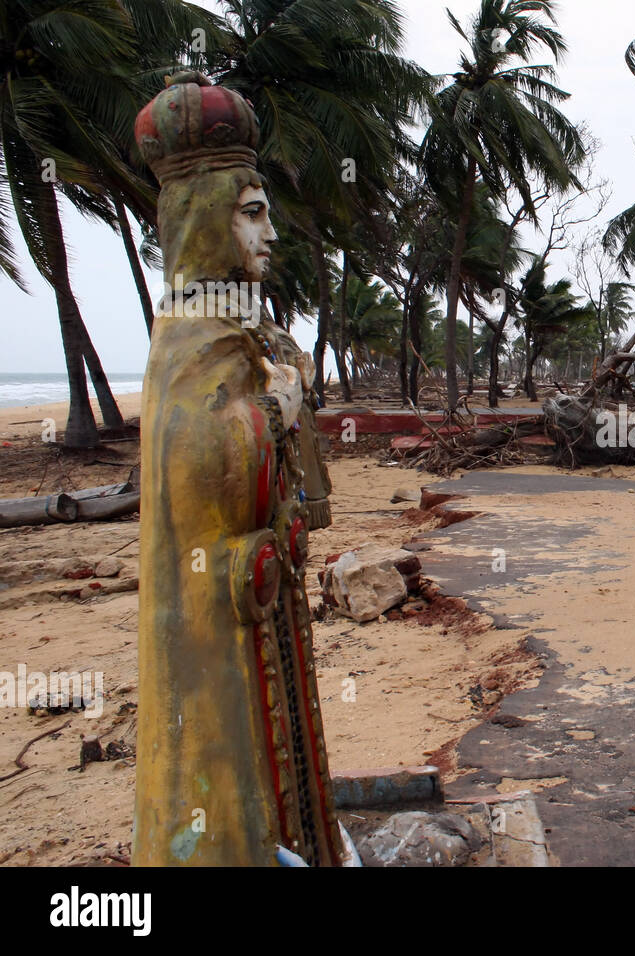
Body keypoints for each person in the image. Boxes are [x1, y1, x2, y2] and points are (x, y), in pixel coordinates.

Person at [134, 72, 342, 866]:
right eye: (253, 214)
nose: (271, 233)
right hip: (214, 601)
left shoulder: (234, 324)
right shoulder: (192, 331)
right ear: (203, 217)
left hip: (254, 586)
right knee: (226, 752)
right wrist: (277, 415)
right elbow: (198, 460)